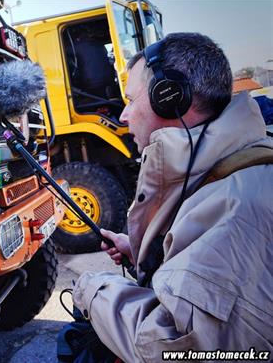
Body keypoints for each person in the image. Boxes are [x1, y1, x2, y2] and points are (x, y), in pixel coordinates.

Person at [72, 32, 273, 361]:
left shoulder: (238, 206)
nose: (123, 116)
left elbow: (171, 345)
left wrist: (93, 288)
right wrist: (145, 251)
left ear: (170, 97)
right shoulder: (228, 169)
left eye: (132, 99)